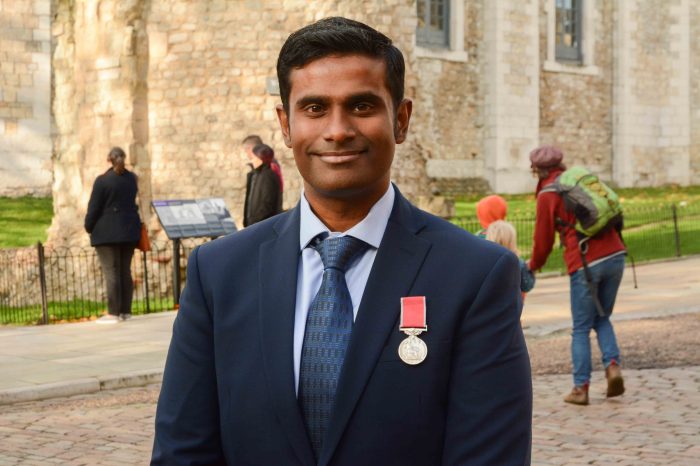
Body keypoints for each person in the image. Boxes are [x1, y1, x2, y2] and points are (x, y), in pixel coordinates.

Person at [153, 17, 532, 465]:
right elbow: (184, 451)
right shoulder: (218, 273)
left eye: (362, 106)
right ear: (286, 124)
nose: (337, 130)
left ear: (402, 119)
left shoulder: (474, 276)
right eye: (314, 108)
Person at [528, 145, 626, 406]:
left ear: (537, 170)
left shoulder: (548, 194)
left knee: (581, 327)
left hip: (585, 262)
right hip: (616, 254)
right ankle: (613, 366)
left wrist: (533, 265)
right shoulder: (578, 181)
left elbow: (543, 241)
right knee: (603, 317)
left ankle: (580, 388)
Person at [84, 147, 141, 324]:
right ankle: (125, 310)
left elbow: (94, 208)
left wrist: (88, 226)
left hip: (107, 232)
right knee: (125, 270)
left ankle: (113, 312)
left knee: (111, 271)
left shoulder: (102, 181)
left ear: (109, 159)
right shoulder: (132, 179)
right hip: (129, 231)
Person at [485, 220, 535, 297]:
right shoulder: (518, 263)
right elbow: (527, 286)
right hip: (510, 306)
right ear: (512, 241)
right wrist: (530, 271)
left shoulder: (485, 262)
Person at [243, 143, 283, 227]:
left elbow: (267, 205)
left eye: (254, 158)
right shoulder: (255, 174)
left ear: (261, 159)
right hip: (253, 226)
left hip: (261, 226)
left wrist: (255, 223)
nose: (251, 160)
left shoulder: (268, 176)